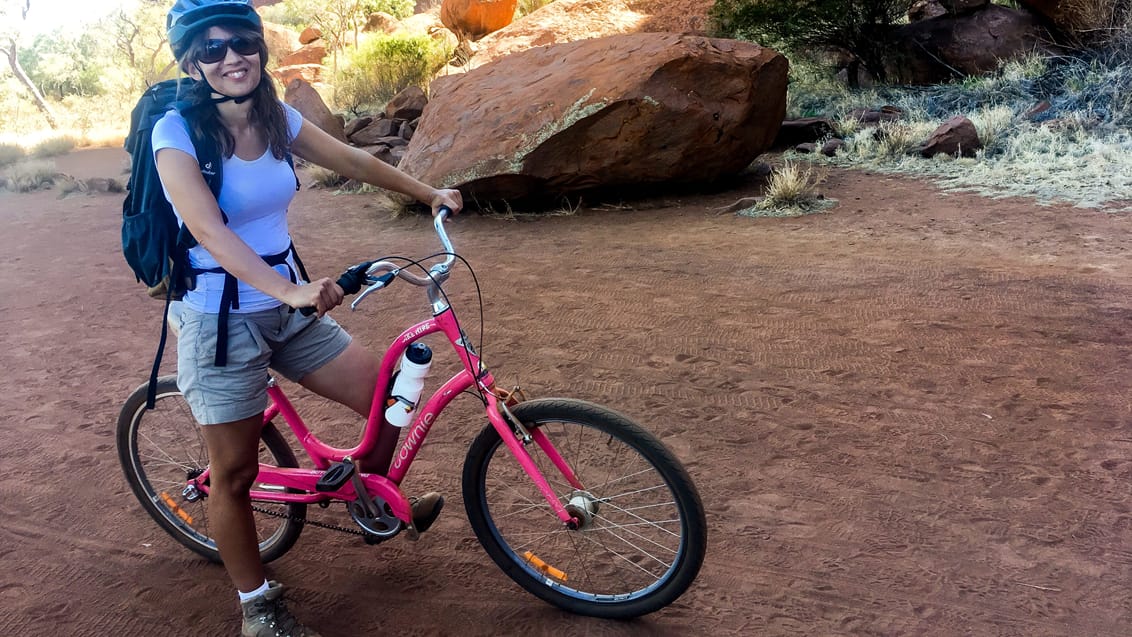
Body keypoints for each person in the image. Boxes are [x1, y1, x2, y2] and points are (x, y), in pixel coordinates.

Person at [153, 1, 463, 635]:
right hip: (220, 320)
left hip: (287, 303)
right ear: (191, 62)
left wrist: (424, 190)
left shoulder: (276, 117)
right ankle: (258, 611)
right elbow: (209, 231)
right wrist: (286, 290)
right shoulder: (175, 133)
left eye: (241, 42)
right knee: (233, 475)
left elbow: (351, 160)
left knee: (384, 401)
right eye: (211, 50)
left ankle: (363, 495)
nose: (231, 57)